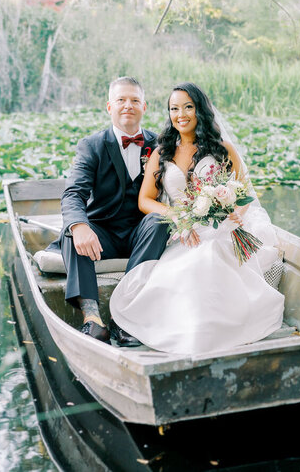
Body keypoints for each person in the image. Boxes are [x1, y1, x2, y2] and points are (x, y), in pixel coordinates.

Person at [109, 82, 285, 355]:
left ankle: (214, 331)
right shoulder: (162, 151)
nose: (181, 114)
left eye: (188, 107)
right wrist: (180, 218)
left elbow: (245, 192)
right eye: (174, 108)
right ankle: (185, 331)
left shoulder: (222, 148)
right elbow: (145, 201)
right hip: (182, 230)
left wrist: (238, 210)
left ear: (200, 110)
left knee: (211, 253)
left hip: (219, 230)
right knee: (186, 264)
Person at [49, 77, 170, 346]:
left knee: (160, 220)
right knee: (71, 232)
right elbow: (73, 194)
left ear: (144, 107)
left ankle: (127, 316)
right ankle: (93, 319)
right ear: (109, 107)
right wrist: (80, 226)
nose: (128, 105)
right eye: (121, 100)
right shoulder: (92, 145)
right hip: (103, 234)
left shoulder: (161, 144)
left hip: (143, 236)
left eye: (135, 100)